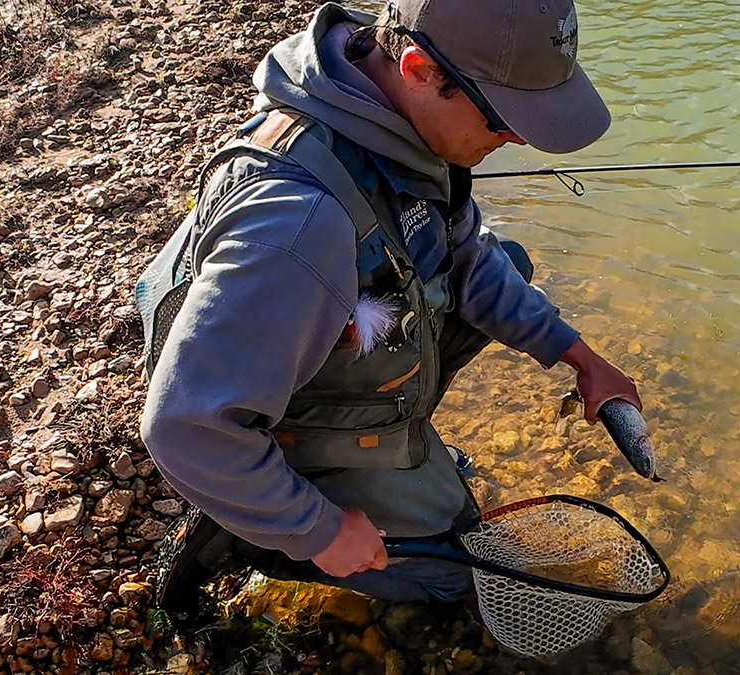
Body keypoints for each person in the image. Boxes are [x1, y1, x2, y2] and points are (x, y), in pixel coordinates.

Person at [139, 0, 642, 612]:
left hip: (295, 324)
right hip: (238, 389)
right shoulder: (300, 224)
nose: (518, 138)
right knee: (459, 576)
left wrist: (578, 355)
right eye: (502, 118)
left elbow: (468, 257)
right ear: (416, 66)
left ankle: (384, 451)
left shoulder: (387, 114)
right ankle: (250, 530)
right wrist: (317, 530)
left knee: (509, 261)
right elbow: (184, 426)